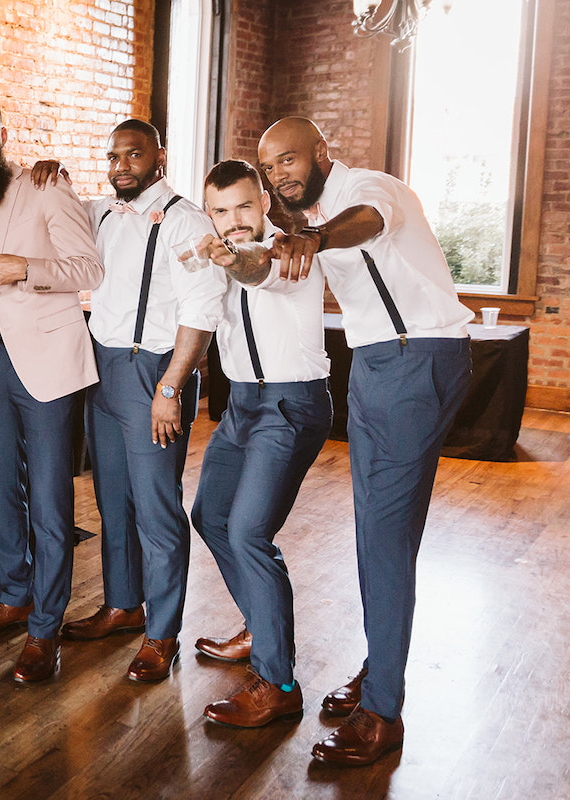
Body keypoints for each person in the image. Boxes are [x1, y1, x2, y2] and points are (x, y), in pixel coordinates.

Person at [223, 117, 472, 764]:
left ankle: (382, 713)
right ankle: (381, 666)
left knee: (382, 541)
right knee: (381, 535)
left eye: (289, 159)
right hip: (379, 363)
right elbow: (276, 263)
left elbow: (369, 220)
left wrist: (317, 236)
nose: (279, 172)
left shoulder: (367, 188)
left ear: (321, 153)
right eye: (269, 165)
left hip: (413, 359)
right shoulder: (304, 218)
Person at [0, 90, 103, 683]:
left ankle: (46, 627)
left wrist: (25, 270)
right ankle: (15, 594)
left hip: (50, 359)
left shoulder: (44, 184)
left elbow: (89, 270)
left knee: (52, 498)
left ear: (2, 136)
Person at [56, 120, 226, 682]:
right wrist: (46, 175)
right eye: (114, 156)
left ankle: (163, 632)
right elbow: (52, 214)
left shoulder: (186, 220)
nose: (121, 165)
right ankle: (123, 605)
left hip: (154, 372)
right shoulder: (101, 212)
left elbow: (201, 314)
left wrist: (171, 389)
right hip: (101, 368)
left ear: (160, 156)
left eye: (134, 155)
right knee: (112, 500)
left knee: (156, 508)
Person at [189, 159, 332, 726]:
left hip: (291, 404)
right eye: (220, 211)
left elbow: (258, 272)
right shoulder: (218, 254)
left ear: (265, 203)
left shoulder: (291, 250)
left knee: (250, 532)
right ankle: (261, 625)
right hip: (241, 403)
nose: (234, 220)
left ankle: (278, 682)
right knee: (210, 515)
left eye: (244, 206)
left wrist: (228, 258)